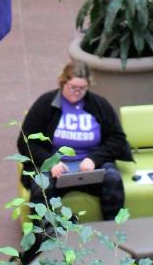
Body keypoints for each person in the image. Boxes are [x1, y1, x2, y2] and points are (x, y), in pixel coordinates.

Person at [17, 62, 131, 223]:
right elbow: (26, 141)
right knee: (42, 186)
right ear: (63, 82)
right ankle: (43, 238)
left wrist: (94, 159)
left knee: (113, 179)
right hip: (55, 168)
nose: (77, 93)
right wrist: (50, 162)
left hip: (90, 166)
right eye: (72, 87)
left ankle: (112, 230)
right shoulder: (45, 103)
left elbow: (117, 138)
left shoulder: (100, 105)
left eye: (82, 88)